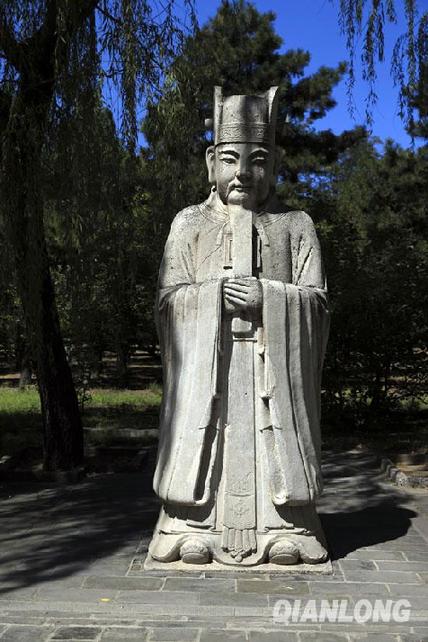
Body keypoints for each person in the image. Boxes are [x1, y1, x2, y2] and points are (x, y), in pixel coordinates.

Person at [147, 87, 330, 567]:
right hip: (209, 366)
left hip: (272, 365)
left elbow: (317, 303)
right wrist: (210, 298)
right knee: (205, 437)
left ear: (275, 165)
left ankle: (286, 525)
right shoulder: (189, 224)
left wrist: (269, 298)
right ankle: (190, 524)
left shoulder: (295, 226)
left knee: (276, 437)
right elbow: (167, 302)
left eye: (258, 160)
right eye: (230, 160)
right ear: (211, 163)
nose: (243, 172)